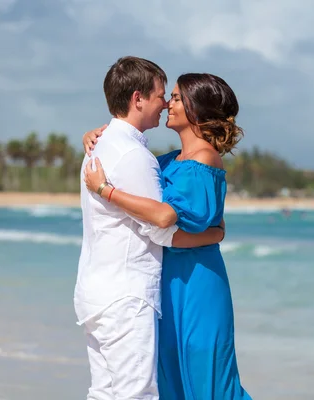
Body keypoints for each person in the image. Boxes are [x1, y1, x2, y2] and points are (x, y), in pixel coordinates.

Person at [83, 72, 252, 399]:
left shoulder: (204, 158)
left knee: (210, 381)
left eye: (175, 97)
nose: (167, 104)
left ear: (196, 108)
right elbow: (135, 167)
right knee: (171, 378)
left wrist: (105, 190)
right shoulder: (169, 161)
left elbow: (164, 219)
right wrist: (91, 136)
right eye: (169, 96)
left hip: (198, 285)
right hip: (168, 283)